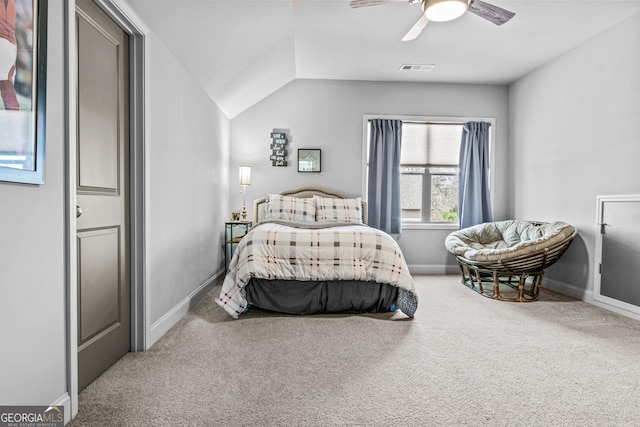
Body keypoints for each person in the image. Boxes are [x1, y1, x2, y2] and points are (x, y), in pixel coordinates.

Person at [0, 0, 19, 111]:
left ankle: (14, 120)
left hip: (4, 43)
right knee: (6, 86)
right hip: (11, 46)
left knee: (6, 88)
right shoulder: (11, 4)